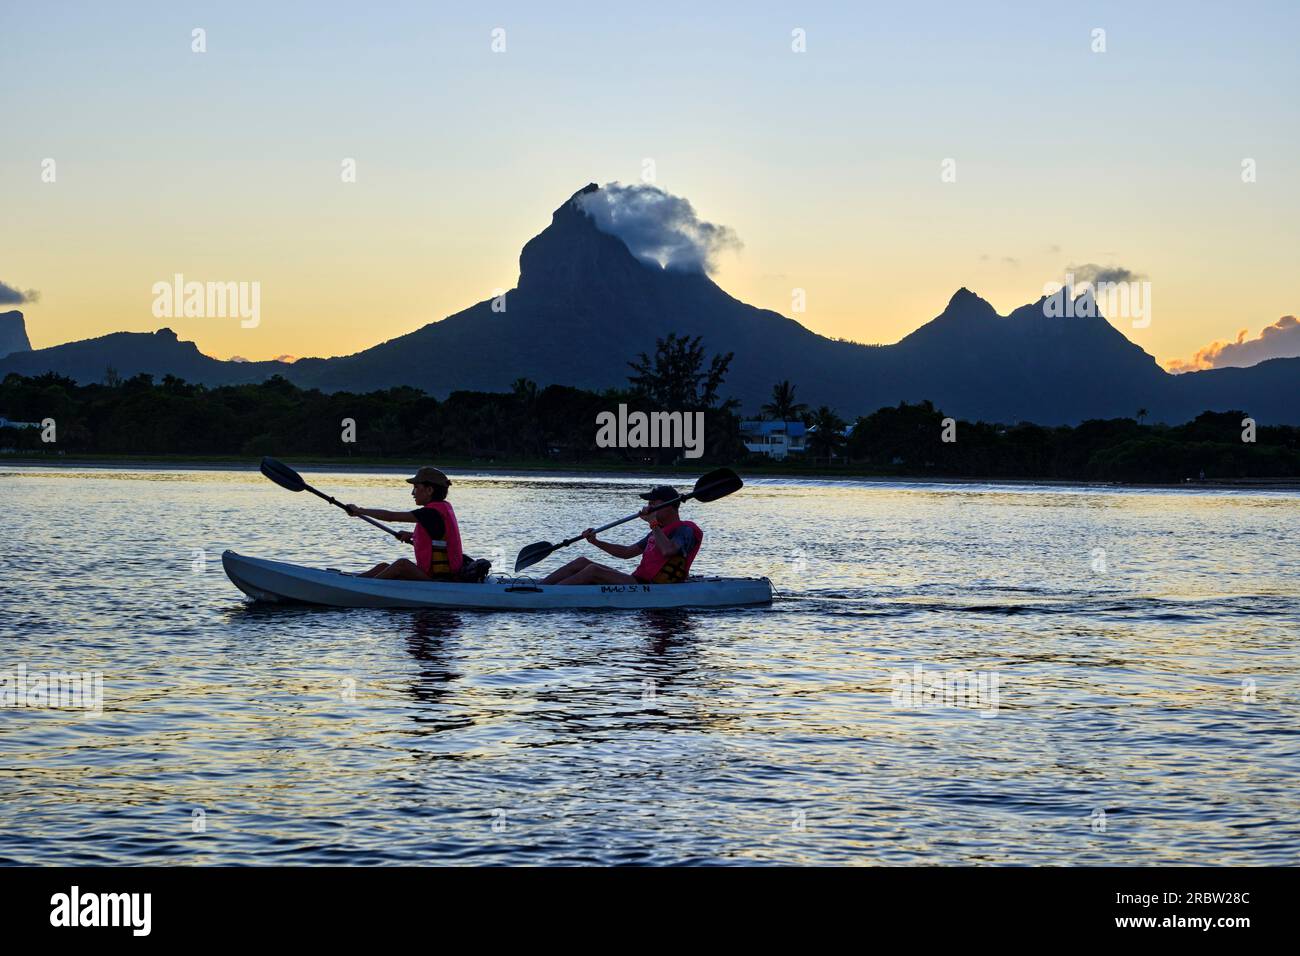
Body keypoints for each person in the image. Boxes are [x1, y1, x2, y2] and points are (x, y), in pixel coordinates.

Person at [542, 485, 703, 586]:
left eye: (654, 503)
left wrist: (653, 523)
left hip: (651, 586)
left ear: (670, 506)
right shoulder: (658, 531)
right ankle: (540, 588)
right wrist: (596, 542)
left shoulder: (685, 530)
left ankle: (547, 596)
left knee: (593, 570)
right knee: (581, 562)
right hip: (637, 580)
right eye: (649, 503)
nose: (649, 506)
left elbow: (669, 551)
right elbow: (626, 553)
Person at [344, 467, 463, 581]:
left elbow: (391, 516)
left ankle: (364, 588)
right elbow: (438, 535)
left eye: (416, 487)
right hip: (435, 574)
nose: (413, 493)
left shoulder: (431, 512)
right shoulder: (442, 508)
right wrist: (413, 535)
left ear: (429, 490)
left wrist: (359, 510)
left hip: (441, 578)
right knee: (383, 566)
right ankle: (353, 582)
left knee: (402, 564)